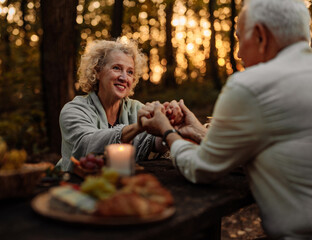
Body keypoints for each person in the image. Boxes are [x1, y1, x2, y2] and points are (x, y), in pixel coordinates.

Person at [140, 0, 312, 239]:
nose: (239, 53)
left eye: (240, 39)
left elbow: (202, 169)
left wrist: (168, 132)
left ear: (261, 35)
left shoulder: (252, 86)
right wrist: (200, 132)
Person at [56, 38, 182, 171]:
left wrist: (168, 125)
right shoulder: (74, 110)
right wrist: (137, 127)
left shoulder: (137, 108)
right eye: (116, 68)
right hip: (76, 185)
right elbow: (87, 145)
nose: (124, 77)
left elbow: (149, 143)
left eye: (130, 72)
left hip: (123, 184)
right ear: (97, 71)